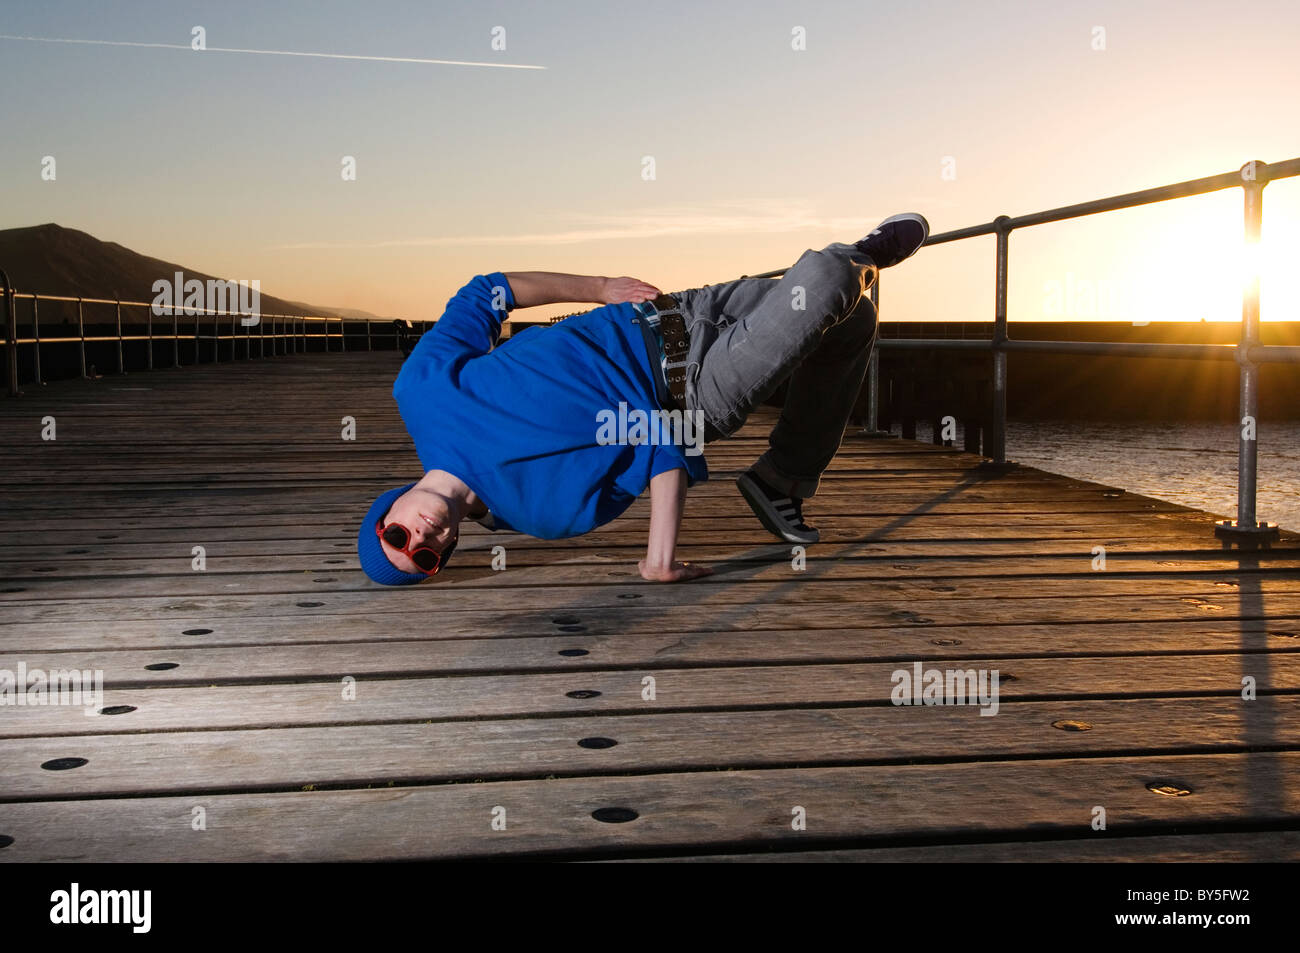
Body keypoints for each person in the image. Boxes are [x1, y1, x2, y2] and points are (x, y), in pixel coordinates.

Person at [357, 213, 929, 585]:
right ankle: (863, 251)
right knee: (830, 278)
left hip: (679, 311)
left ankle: (782, 478)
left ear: (387, 512)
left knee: (856, 320)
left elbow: (489, 292)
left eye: (399, 537)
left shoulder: (422, 392)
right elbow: (661, 446)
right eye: (428, 556)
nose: (423, 537)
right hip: (696, 393)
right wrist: (659, 559)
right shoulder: (541, 510)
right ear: (452, 546)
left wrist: (599, 288)